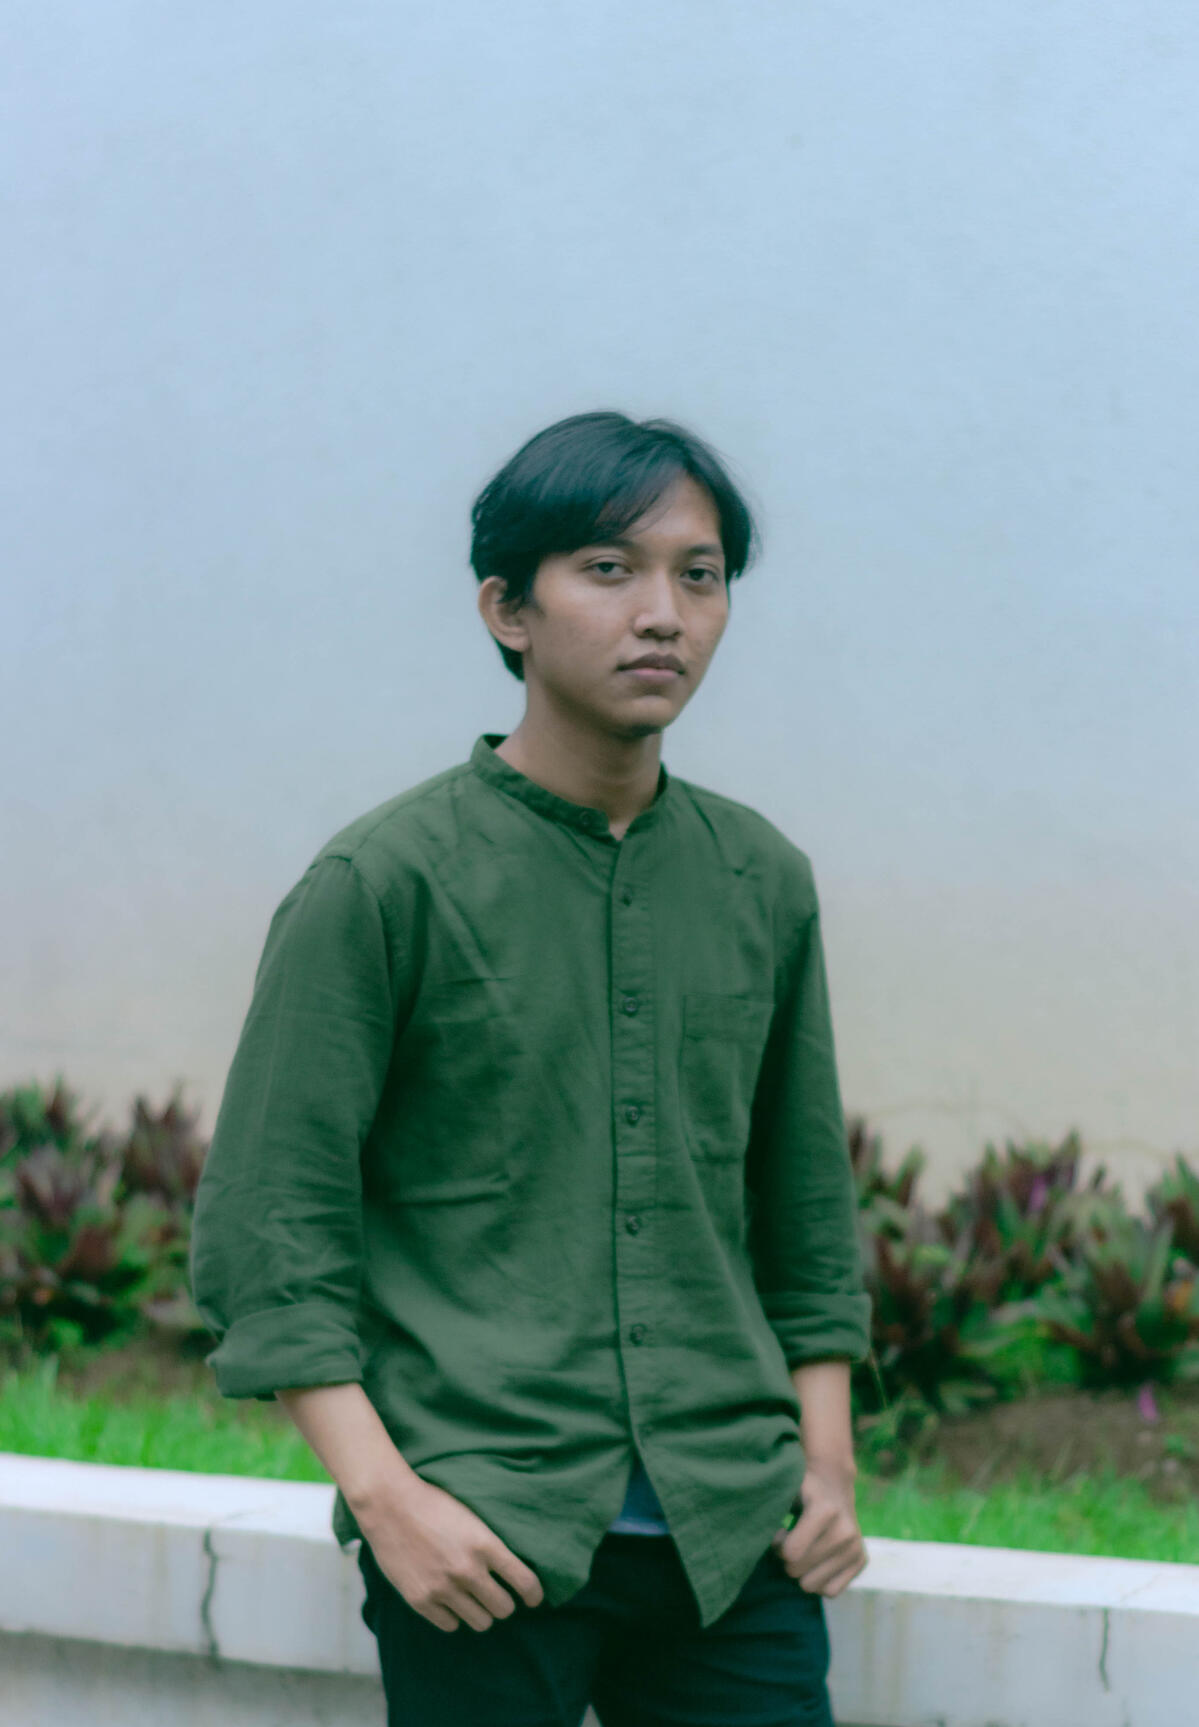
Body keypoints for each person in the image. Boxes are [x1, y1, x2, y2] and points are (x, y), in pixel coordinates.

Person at [189, 409, 873, 1726]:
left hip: (733, 1536)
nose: (662, 614)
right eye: (608, 570)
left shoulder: (760, 879)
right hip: (485, 1530)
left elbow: (803, 1203)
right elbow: (272, 1228)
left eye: (699, 574)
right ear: (508, 608)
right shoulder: (381, 884)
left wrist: (827, 1461)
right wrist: (389, 1503)